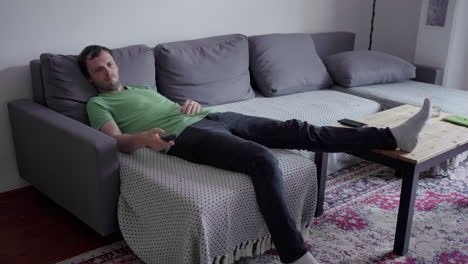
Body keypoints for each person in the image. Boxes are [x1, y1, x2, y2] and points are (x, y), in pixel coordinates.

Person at [79, 45, 432, 264]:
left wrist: (190, 102)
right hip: (186, 136)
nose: (107, 71)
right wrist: (143, 138)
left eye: (109, 64)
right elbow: (117, 141)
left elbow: (171, 106)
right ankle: (295, 254)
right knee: (263, 160)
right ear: (92, 78)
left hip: (211, 116)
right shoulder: (99, 103)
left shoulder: (141, 87)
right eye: (99, 69)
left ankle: (392, 136)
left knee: (299, 130)